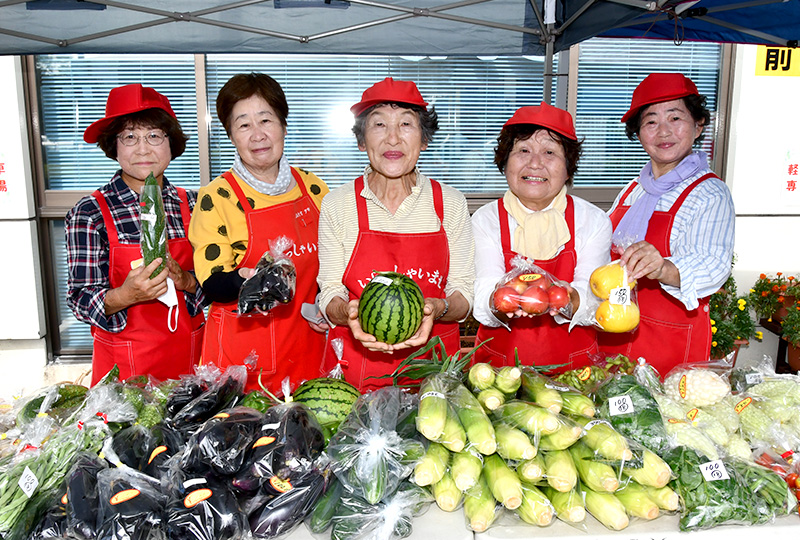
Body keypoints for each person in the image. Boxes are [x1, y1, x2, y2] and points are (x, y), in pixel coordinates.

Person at [317, 77, 475, 391]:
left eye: (406, 124)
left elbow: (464, 295)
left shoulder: (451, 204)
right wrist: (347, 312)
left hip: (434, 370)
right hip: (357, 372)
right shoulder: (337, 204)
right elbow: (330, 290)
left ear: (424, 140)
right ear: (362, 141)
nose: (393, 139)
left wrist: (436, 307)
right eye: (379, 125)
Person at [189, 72, 329, 392]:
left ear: (283, 124)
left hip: (310, 347)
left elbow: (336, 263)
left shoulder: (314, 188)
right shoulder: (217, 197)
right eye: (243, 125)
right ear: (231, 136)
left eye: (266, 120)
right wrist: (252, 281)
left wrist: (329, 298)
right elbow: (212, 282)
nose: (257, 135)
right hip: (243, 362)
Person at [66, 83, 205, 385]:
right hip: (124, 375)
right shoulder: (90, 212)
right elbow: (79, 299)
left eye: (154, 135)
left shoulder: (195, 204)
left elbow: (216, 288)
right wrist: (124, 296)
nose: (143, 148)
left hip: (193, 367)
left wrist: (187, 281)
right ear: (113, 146)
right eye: (130, 137)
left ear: (171, 144)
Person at [600, 73, 735, 375]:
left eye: (675, 118)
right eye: (650, 122)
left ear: (698, 125)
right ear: (638, 132)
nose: (663, 131)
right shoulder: (635, 188)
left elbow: (713, 264)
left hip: (669, 344)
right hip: (614, 335)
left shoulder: (709, 193)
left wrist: (662, 268)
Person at [472, 103, 612, 371]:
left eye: (549, 152)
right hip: (498, 371)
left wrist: (564, 299)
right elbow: (482, 295)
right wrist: (502, 301)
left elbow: (594, 298)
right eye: (523, 151)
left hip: (575, 369)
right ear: (505, 161)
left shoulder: (592, 220)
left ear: (568, 168)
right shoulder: (485, 219)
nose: (535, 163)